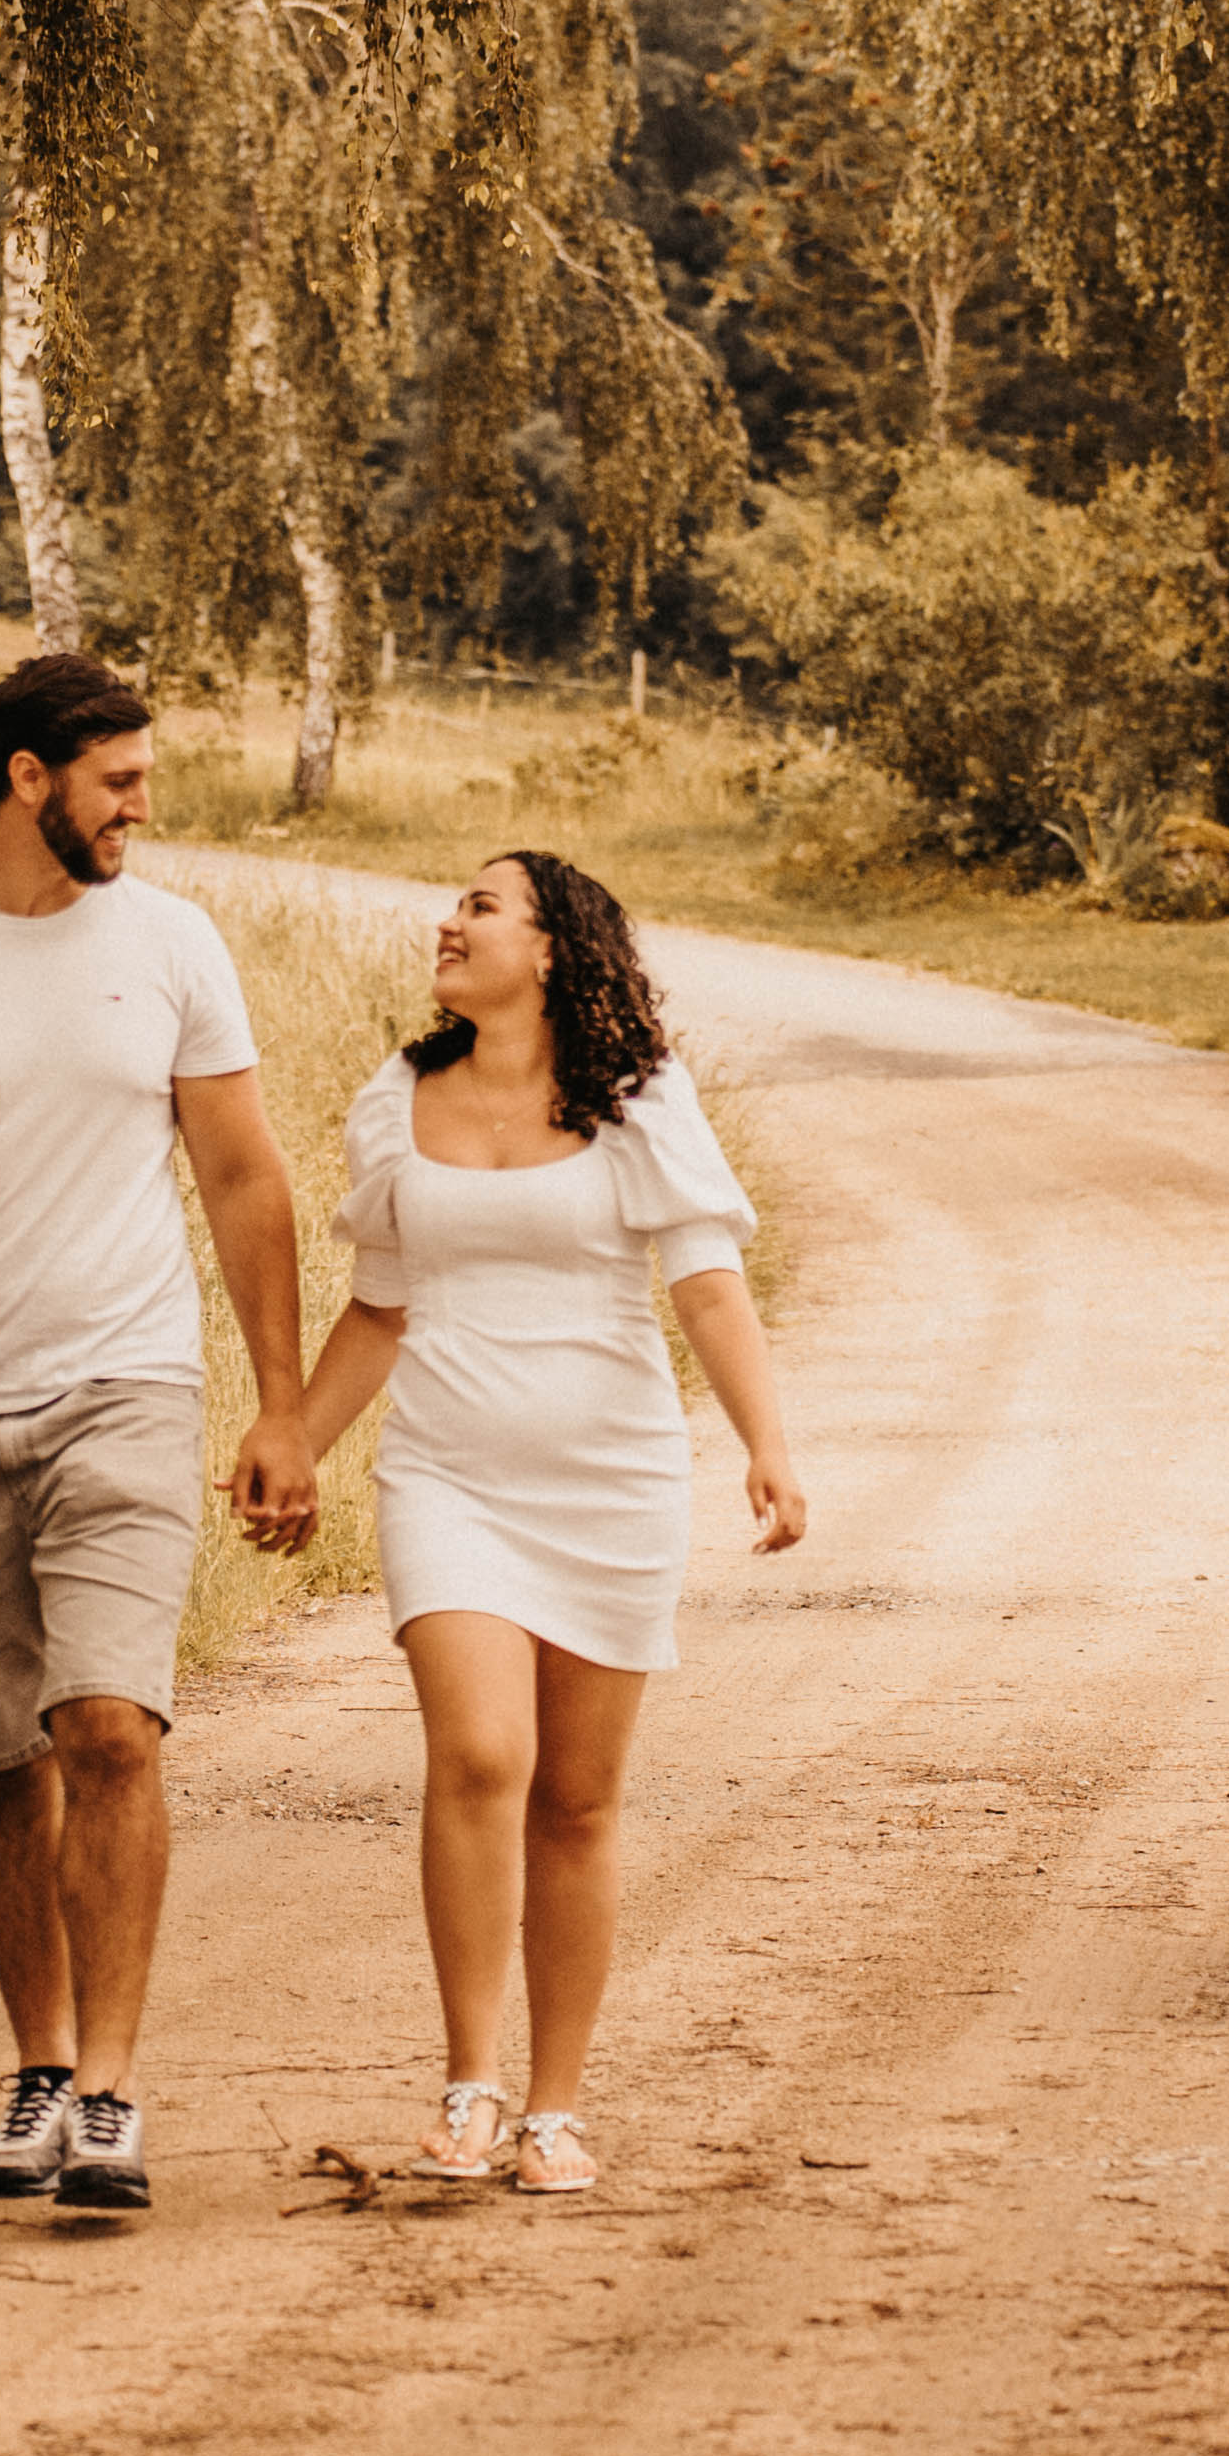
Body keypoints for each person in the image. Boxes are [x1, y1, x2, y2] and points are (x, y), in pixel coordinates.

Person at [0, 652, 317, 2213]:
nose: (143, 809)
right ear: (31, 779)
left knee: (106, 1727)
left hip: (124, 1383)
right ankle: (33, 2068)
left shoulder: (170, 942)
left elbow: (241, 1175)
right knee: (1, 1756)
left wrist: (282, 1400)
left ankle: (109, 2092)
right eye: (120, 784)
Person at [264, 850, 804, 2199]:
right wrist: (293, 1442)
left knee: (576, 1801)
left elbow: (710, 1288)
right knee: (483, 1756)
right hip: (449, 1479)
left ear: (555, 948)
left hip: (612, 1482)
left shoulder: (639, 1103)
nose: (450, 921)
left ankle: (555, 2111)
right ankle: (469, 2084)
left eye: (482, 905)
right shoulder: (396, 1101)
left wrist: (767, 1448)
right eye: (454, 903)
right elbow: (380, 1310)